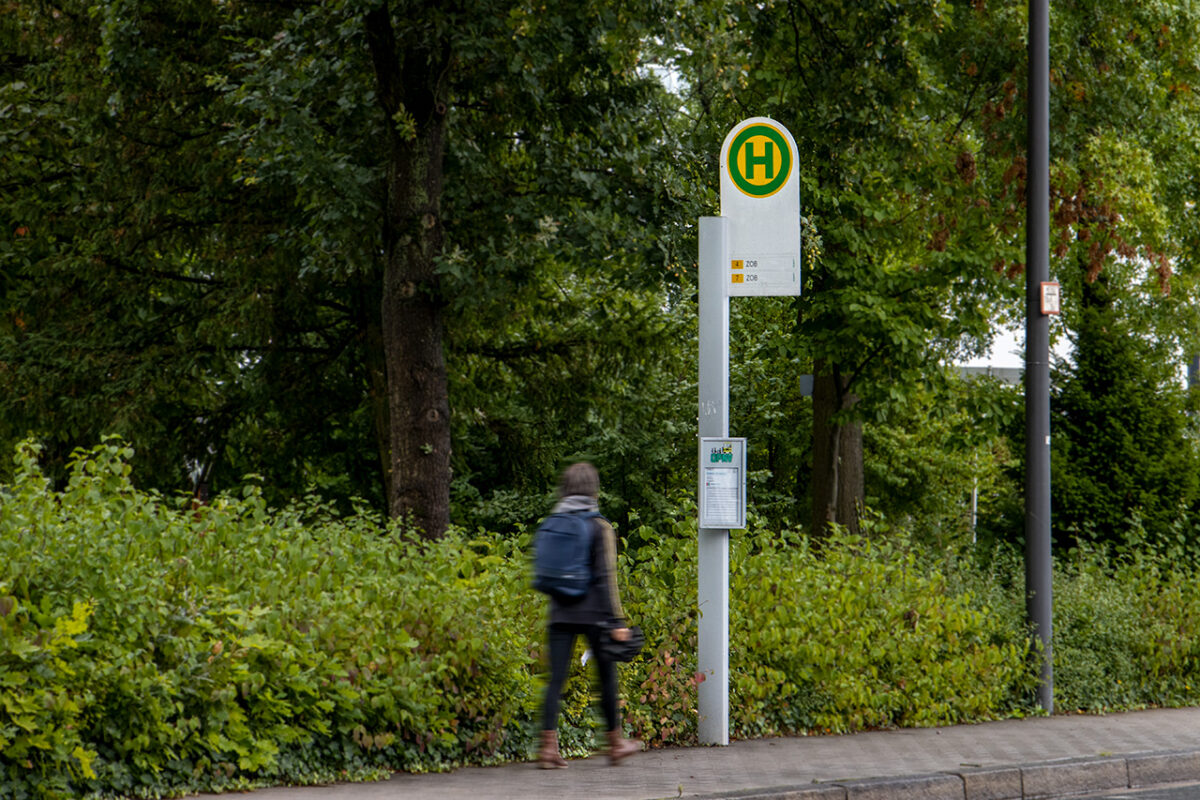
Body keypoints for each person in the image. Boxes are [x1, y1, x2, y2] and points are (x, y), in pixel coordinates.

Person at [538, 461, 642, 769]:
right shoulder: (600, 526)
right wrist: (617, 622)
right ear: (593, 488)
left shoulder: (553, 522)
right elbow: (607, 578)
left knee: (554, 680)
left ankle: (547, 749)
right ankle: (615, 744)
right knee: (606, 677)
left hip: (559, 611)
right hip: (594, 612)